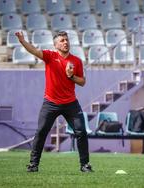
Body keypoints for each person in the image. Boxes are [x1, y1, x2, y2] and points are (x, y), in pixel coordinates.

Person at [15, 31, 93, 173]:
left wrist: (71, 76)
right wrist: (22, 41)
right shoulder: (50, 56)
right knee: (41, 132)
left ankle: (85, 165)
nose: (65, 42)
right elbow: (34, 51)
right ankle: (33, 165)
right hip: (50, 102)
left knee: (81, 131)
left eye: (67, 40)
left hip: (71, 103)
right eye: (62, 40)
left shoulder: (76, 61)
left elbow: (82, 82)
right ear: (55, 45)